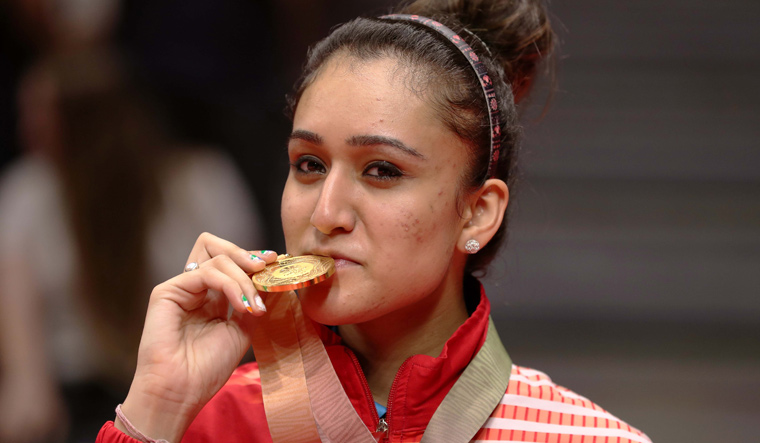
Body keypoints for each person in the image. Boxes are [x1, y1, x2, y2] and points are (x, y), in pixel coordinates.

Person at [96, 0, 652, 442]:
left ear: (476, 212)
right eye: (308, 165)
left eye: (382, 170)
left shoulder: (585, 438)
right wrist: (158, 407)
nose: (325, 212)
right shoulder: (204, 425)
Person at [0, 49, 263, 443]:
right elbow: (28, 378)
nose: (28, 129)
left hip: (199, 393)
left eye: (47, 115)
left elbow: (243, 310)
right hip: (75, 402)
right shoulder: (26, 194)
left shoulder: (202, 182)